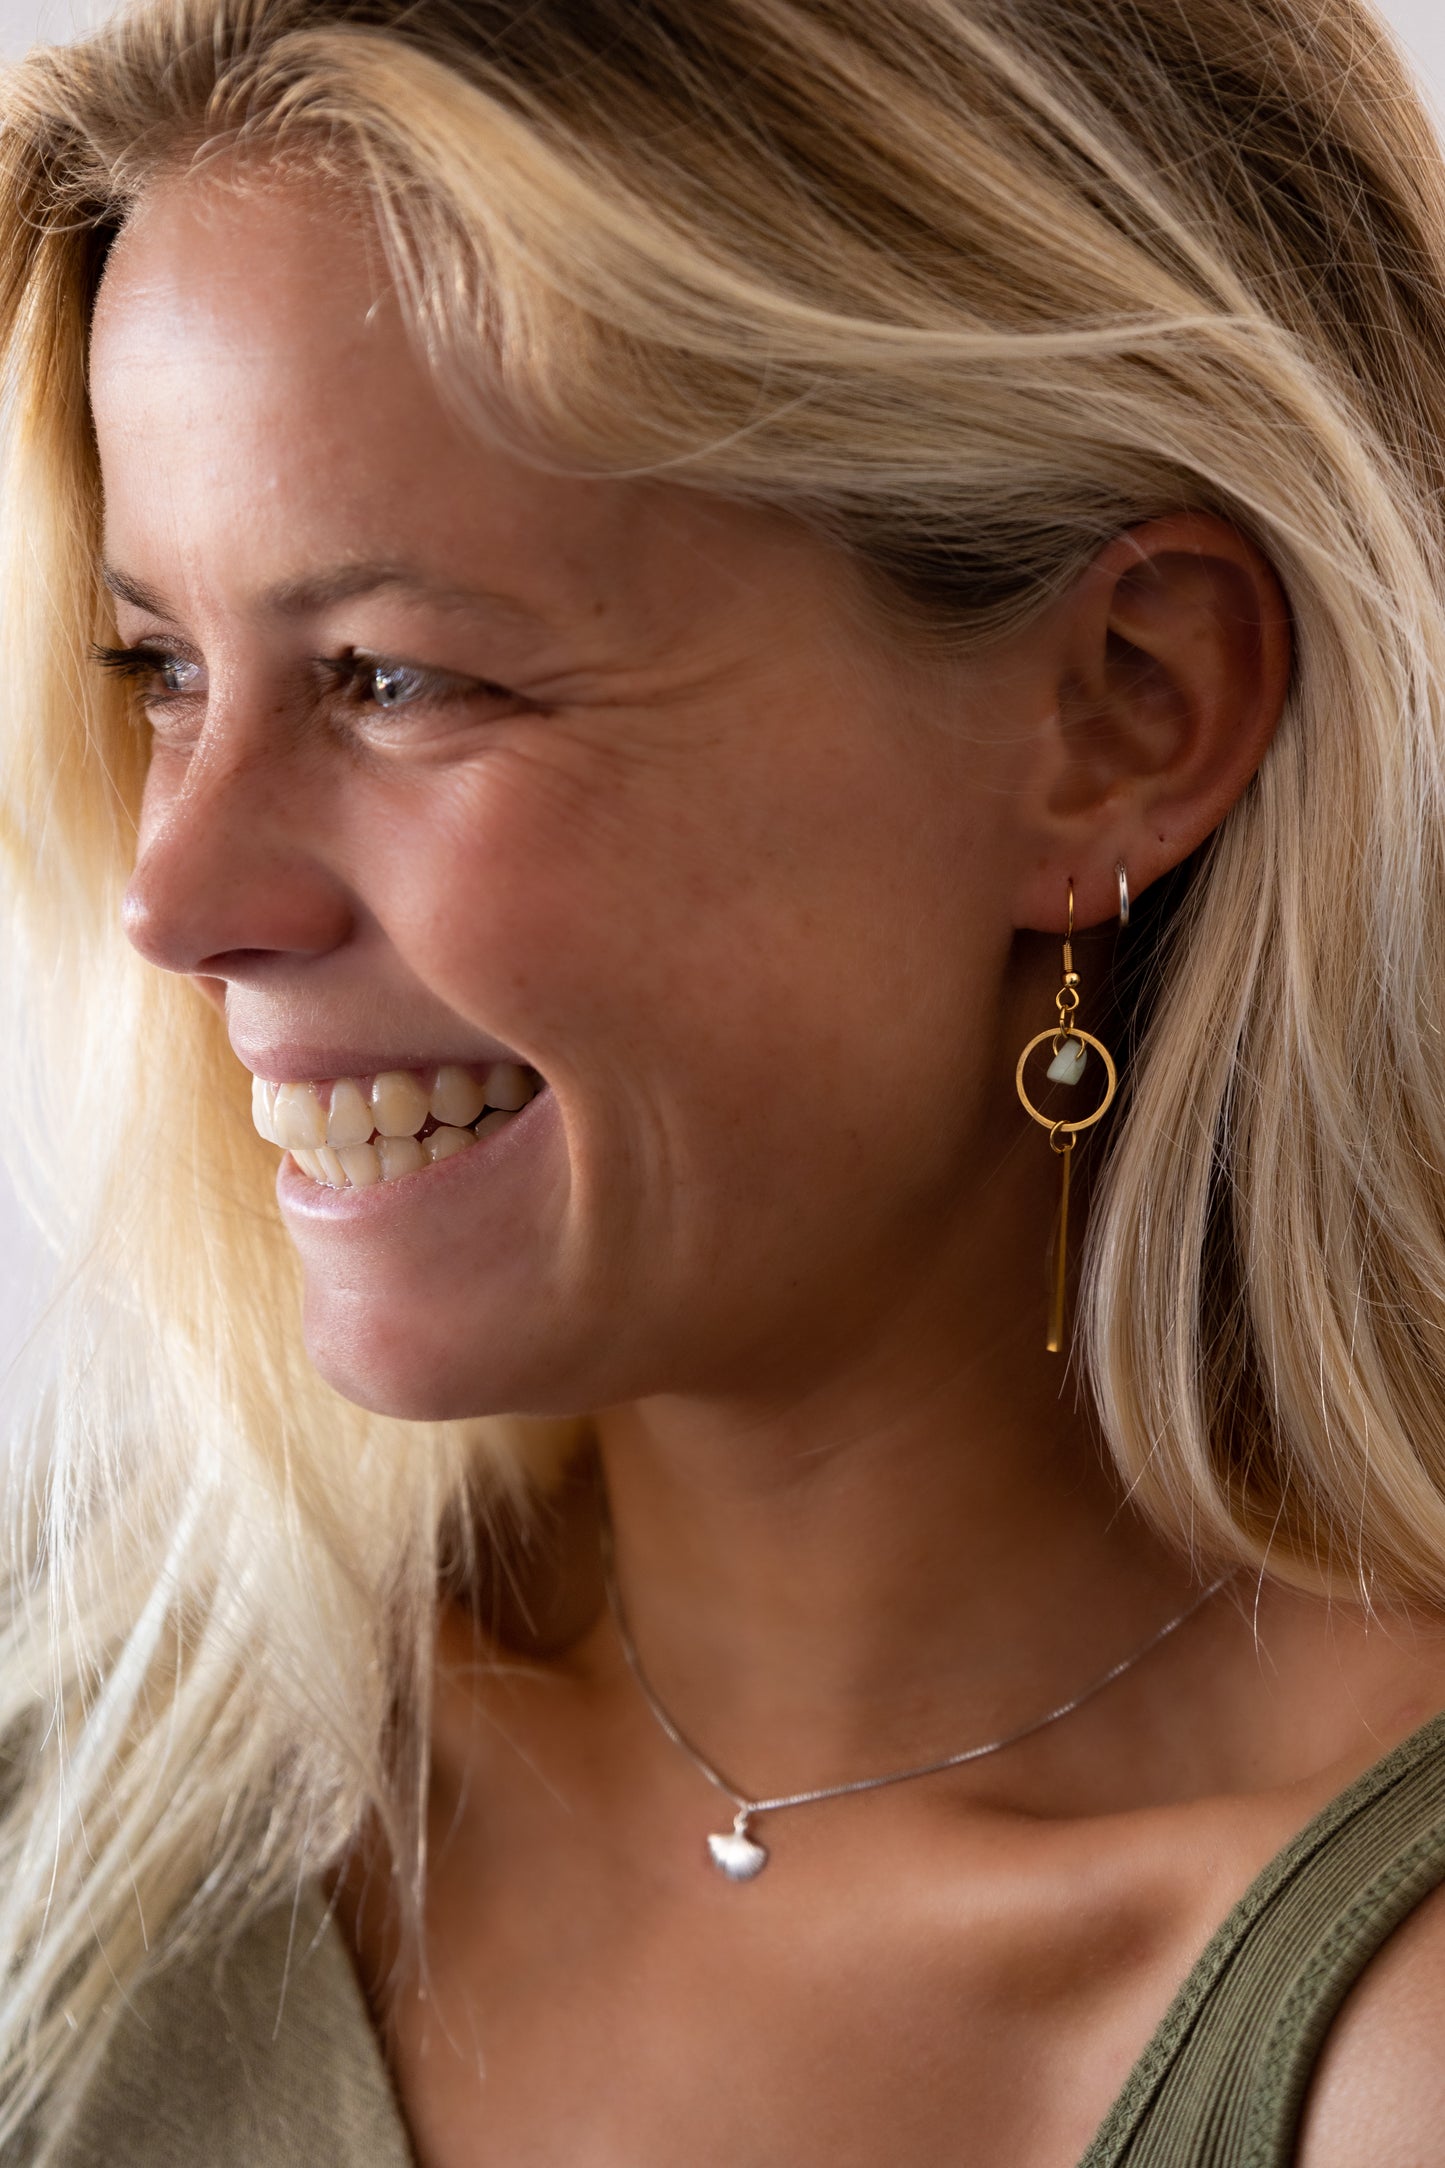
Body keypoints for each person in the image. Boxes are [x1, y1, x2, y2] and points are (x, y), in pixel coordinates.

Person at [4, 0, 1445, 2158]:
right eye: (163, 672)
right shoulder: (74, 1777)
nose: (181, 894)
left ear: (1128, 710)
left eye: (400, 678)